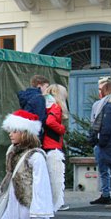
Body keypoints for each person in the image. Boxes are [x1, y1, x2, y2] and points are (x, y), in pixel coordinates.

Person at [89, 77, 111, 205]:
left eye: (101, 90)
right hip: (100, 141)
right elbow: (93, 123)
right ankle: (105, 194)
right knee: (103, 169)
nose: (100, 92)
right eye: (99, 89)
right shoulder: (96, 105)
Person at [42, 83, 68, 211]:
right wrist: (62, 129)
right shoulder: (56, 107)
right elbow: (50, 122)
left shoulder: (46, 106)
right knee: (56, 176)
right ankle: (57, 203)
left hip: (45, 145)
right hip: (53, 145)